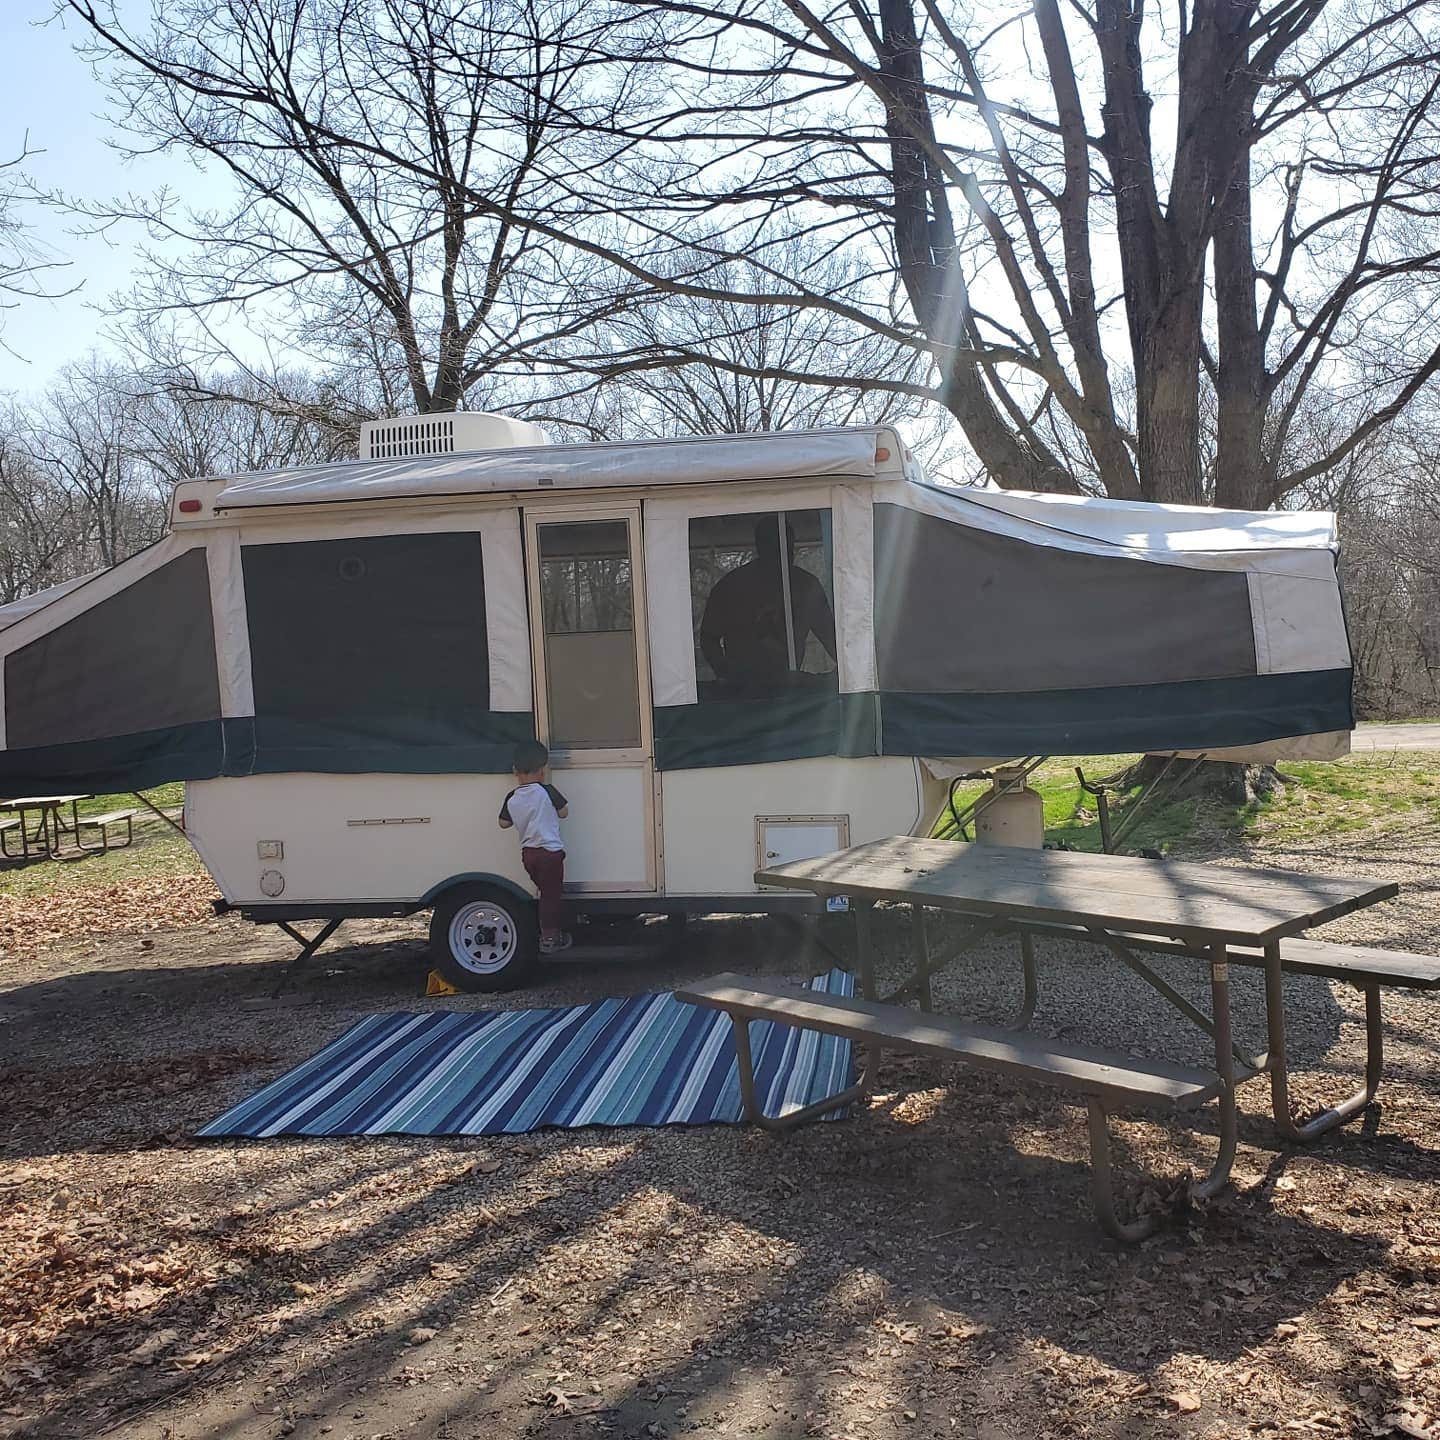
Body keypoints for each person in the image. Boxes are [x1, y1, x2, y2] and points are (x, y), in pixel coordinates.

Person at [699, 516, 837, 693]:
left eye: (786, 547)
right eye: (773, 548)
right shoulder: (732, 587)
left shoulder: (806, 586)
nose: (782, 554)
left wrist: (844, 676)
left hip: (791, 691)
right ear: (760, 548)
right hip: (743, 692)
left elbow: (832, 638)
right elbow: (708, 638)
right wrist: (727, 675)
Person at [499, 739, 572, 954]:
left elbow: (503, 823)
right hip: (550, 852)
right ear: (542, 771)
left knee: (545, 890)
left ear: (515, 771)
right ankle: (550, 938)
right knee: (551, 896)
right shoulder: (547, 791)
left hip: (529, 854)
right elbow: (564, 812)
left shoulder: (512, 797)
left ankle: (549, 923)